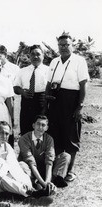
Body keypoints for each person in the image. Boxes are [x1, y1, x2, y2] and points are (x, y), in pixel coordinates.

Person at [45, 33, 90, 182]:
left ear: (72, 45)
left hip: (72, 101)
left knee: (71, 137)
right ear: (58, 46)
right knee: (55, 135)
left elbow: (84, 84)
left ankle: (70, 171)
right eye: (61, 45)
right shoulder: (54, 62)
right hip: (56, 101)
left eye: (66, 45)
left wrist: (80, 106)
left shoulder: (79, 61)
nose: (63, 47)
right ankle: (58, 171)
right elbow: (48, 83)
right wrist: (47, 100)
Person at [18, 115, 71, 193]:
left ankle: (54, 181)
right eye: (38, 124)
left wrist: (47, 181)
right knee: (21, 165)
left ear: (47, 128)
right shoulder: (24, 139)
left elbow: (49, 161)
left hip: (44, 169)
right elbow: (31, 162)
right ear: (33, 125)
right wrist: (43, 183)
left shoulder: (49, 139)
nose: (40, 127)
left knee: (66, 156)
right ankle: (35, 183)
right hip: (30, 169)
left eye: (43, 125)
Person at [0, 121, 35, 197]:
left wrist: (25, 182)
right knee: (1, 175)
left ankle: (29, 188)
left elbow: (14, 166)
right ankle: (28, 192)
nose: (4, 136)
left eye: (7, 134)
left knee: (22, 166)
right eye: (1, 132)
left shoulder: (7, 146)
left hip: (1, 176)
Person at [14, 45, 49, 135]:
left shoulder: (49, 70)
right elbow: (15, 88)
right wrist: (22, 92)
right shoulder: (22, 71)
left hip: (43, 102)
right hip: (27, 102)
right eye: (32, 54)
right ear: (29, 56)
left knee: (42, 130)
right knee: (26, 131)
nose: (35, 57)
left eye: (38, 54)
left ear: (43, 55)